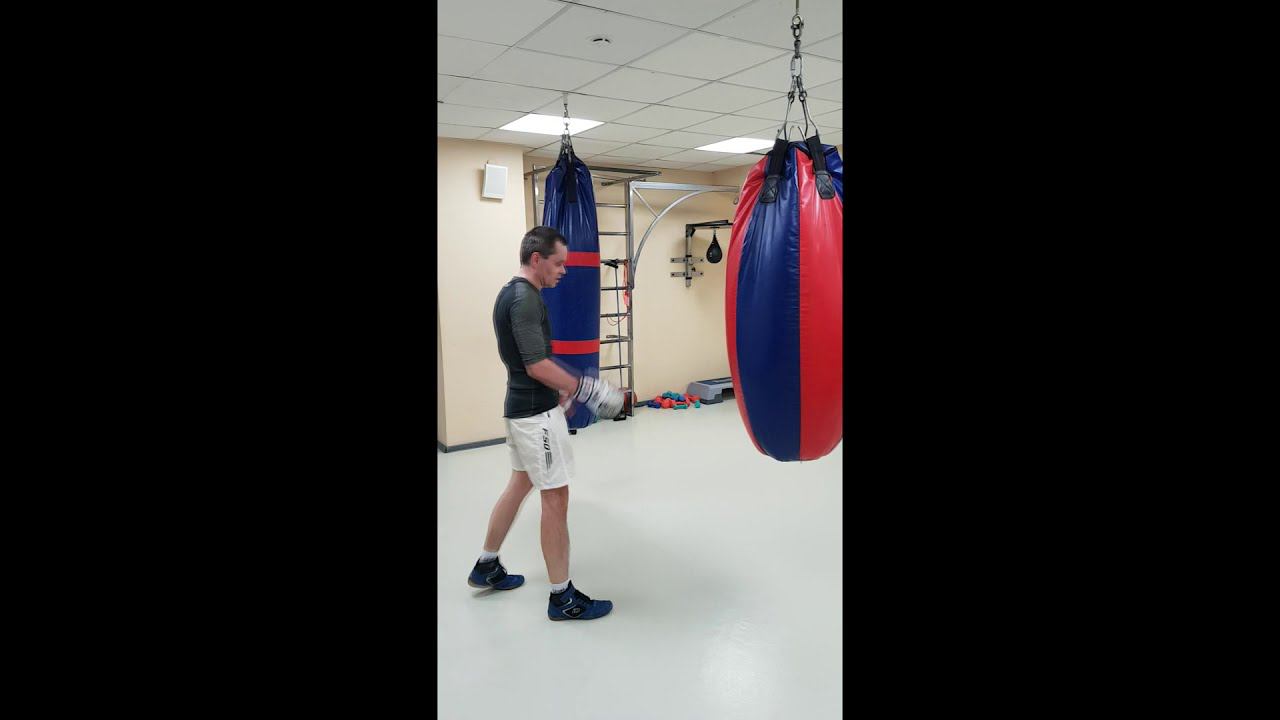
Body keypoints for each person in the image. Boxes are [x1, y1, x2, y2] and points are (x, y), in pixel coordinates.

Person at [467, 226, 625, 621]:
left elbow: (528, 362)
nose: (564, 271)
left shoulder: (513, 293)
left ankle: (487, 564)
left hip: (524, 409)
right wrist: (583, 388)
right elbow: (536, 365)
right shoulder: (524, 299)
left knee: (519, 484)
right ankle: (562, 598)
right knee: (555, 497)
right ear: (536, 259)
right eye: (558, 263)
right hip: (534, 418)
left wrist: (561, 391)